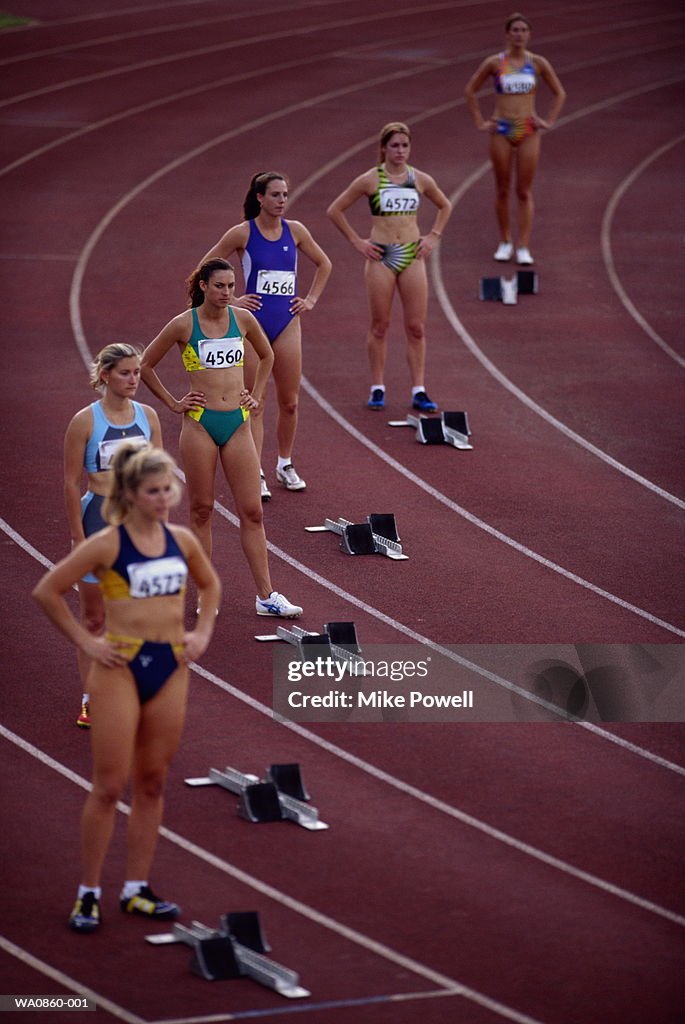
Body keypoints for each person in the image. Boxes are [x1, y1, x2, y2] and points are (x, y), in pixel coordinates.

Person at [32, 443, 221, 933]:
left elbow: (211, 585)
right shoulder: (109, 544)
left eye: (167, 490)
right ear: (132, 494)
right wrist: (87, 643)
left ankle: (136, 889)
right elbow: (47, 590)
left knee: (153, 782)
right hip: (119, 667)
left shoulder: (183, 541)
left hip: (170, 668)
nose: (162, 499)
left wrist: (200, 633)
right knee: (109, 784)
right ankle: (89, 892)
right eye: (153, 491)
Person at [140, 257, 302, 618]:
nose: (228, 292)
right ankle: (205, 594)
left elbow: (267, 353)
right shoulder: (183, 325)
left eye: (231, 286)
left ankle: (266, 595)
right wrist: (172, 402)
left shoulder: (242, 319)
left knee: (253, 512)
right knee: (202, 510)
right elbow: (145, 364)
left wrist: (256, 394)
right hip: (200, 424)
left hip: (238, 424)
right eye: (220, 286)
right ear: (203, 286)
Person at [200, 171, 332, 499]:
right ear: (260, 197)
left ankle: (284, 464)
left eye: (285, 194)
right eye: (275, 195)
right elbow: (204, 268)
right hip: (251, 326)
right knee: (254, 403)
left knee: (290, 402)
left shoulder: (296, 231)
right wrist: (233, 299)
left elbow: (324, 263)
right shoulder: (243, 233)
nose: (282, 200)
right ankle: (255, 469)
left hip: (287, 324)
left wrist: (311, 299)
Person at [64, 344, 162, 729]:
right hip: (96, 523)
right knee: (94, 618)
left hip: (137, 528)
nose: (134, 379)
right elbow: (71, 483)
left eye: (137, 372)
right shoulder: (84, 422)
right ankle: (90, 696)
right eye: (126, 373)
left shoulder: (148, 417)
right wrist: (77, 536)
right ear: (105, 376)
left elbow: (158, 479)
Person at [326, 121, 452, 412]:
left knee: (416, 327)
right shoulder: (371, 179)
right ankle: (377, 386)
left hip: (411, 255)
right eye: (394, 145)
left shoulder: (419, 179)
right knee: (380, 326)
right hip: (382, 256)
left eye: (405, 145)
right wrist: (357, 242)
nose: (400, 151)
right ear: (383, 148)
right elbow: (335, 209)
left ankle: (419, 389)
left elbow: (445, 205)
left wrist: (433, 236)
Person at [464, 12, 566, 265]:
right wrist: (480, 121)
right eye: (515, 30)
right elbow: (470, 91)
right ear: (507, 34)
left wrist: (549, 120)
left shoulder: (538, 63)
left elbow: (560, 93)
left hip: (528, 129)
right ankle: (505, 241)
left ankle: (523, 246)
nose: (520, 34)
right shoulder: (495, 63)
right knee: (502, 189)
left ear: (529, 35)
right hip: (502, 129)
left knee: (523, 190)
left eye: (524, 30)